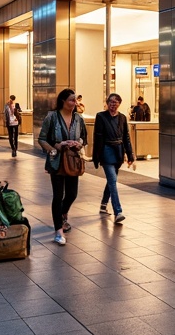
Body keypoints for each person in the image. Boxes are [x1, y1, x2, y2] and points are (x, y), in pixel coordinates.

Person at [38, 89, 86, 245]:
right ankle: (58, 231)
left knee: (72, 194)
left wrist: (78, 144)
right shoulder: (51, 117)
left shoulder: (78, 118)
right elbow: (42, 139)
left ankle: (63, 214)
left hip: (72, 160)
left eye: (75, 101)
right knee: (58, 195)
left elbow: (83, 137)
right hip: (57, 161)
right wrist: (56, 147)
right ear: (63, 101)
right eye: (71, 100)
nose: (74, 103)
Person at [92, 93, 136, 224]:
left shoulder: (122, 117)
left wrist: (130, 154)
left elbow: (126, 137)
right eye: (111, 102)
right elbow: (97, 137)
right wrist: (96, 156)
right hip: (106, 151)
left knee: (112, 180)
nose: (113, 104)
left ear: (119, 104)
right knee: (112, 180)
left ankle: (103, 204)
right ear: (107, 103)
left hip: (118, 152)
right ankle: (118, 211)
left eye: (116, 102)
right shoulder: (101, 116)